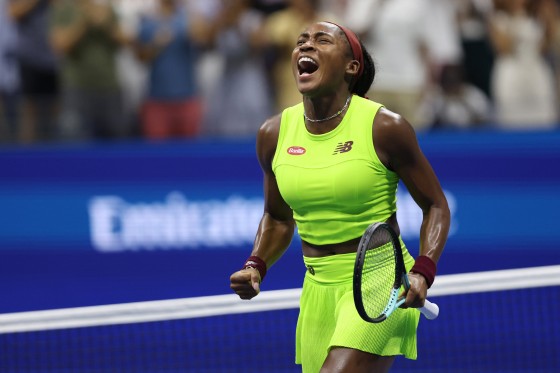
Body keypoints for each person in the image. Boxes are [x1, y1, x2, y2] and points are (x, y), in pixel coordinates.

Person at [229, 21, 450, 373]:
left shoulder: (384, 127)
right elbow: (278, 218)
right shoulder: (273, 133)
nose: (306, 47)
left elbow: (435, 204)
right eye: (301, 41)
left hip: (380, 282)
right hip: (317, 287)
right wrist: (256, 264)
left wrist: (424, 270)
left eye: (321, 41)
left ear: (352, 67)